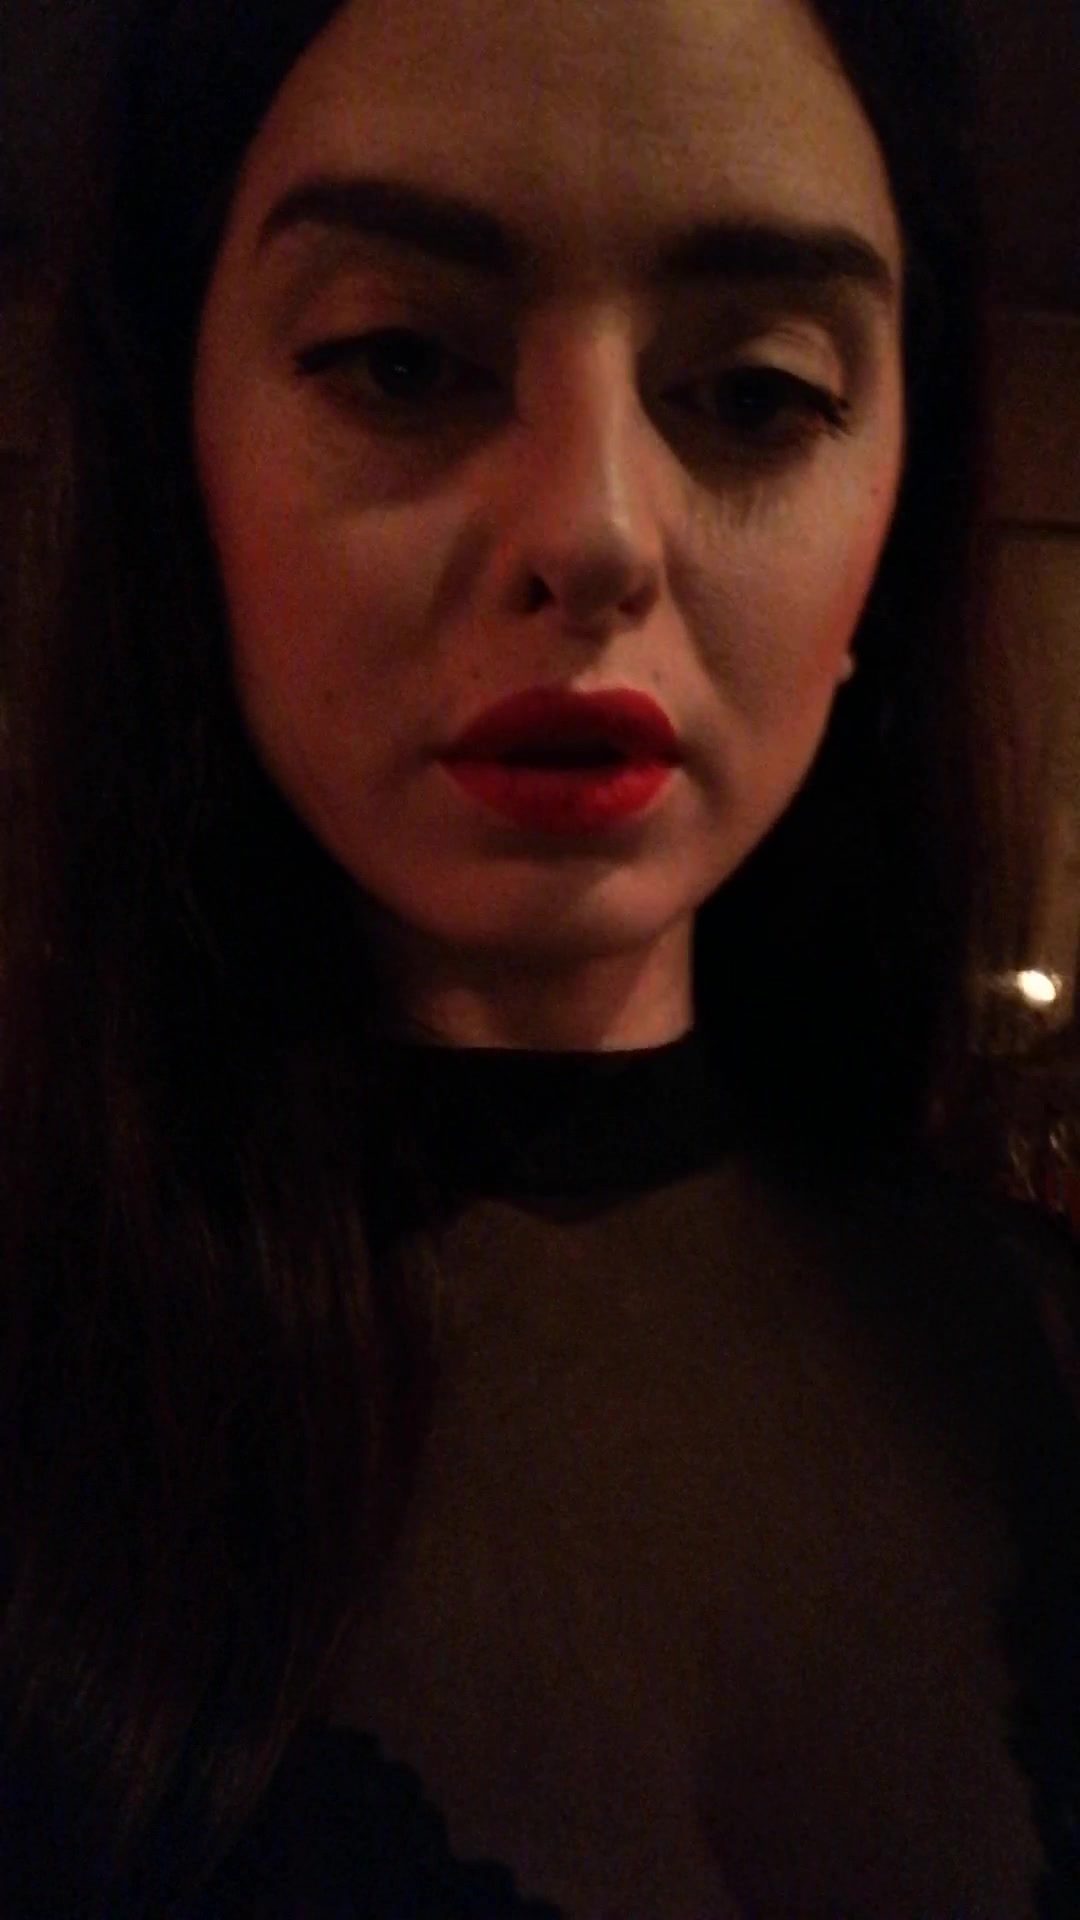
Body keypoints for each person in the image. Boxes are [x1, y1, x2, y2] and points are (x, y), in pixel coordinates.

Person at [1, 0, 1078, 1914]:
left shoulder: (1040, 1354)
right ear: (184, 458)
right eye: (401, 359)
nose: (593, 532)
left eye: (757, 392)